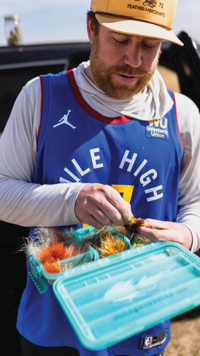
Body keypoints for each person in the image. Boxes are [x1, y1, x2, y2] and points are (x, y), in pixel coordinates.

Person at [0, 0, 200, 355]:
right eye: (121, 40)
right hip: (52, 330)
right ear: (92, 28)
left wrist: (187, 233)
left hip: (141, 326)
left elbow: (196, 202)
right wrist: (71, 200)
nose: (134, 60)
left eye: (149, 46)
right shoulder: (41, 97)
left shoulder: (182, 116)